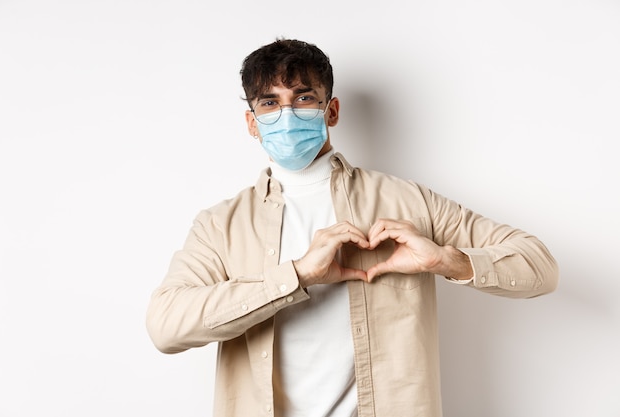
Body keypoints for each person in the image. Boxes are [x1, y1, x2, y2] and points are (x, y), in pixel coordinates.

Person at [146, 38, 559, 417]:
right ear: (252, 122)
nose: (286, 115)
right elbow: (165, 327)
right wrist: (296, 275)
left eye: (303, 98)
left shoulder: (407, 201)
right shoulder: (220, 225)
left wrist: (446, 260)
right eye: (269, 103)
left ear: (333, 110)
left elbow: (539, 266)